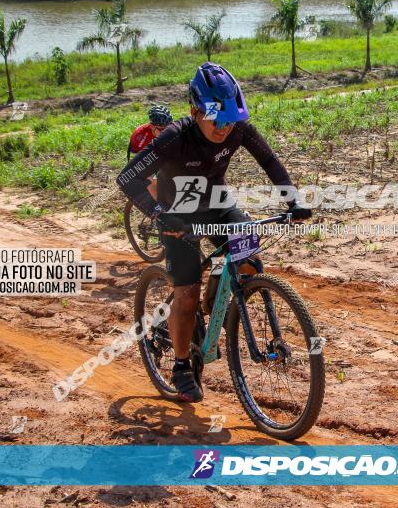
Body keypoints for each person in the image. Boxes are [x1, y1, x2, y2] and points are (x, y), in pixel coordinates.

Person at [117, 62, 310, 403]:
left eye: (230, 120)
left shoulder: (238, 129)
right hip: (177, 216)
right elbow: (128, 178)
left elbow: (270, 162)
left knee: (250, 260)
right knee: (186, 293)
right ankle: (180, 365)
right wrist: (159, 215)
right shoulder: (174, 137)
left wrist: (293, 202)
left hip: (218, 204)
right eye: (217, 120)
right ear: (195, 111)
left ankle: (212, 307)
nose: (225, 128)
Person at [127, 105, 173, 201]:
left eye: (168, 128)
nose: (166, 132)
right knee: (150, 179)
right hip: (140, 158)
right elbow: (137, 163)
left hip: (158, 153)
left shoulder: (170, 130)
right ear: (152, 127)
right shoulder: (140, 136)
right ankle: (160, 205)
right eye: (162, 129)